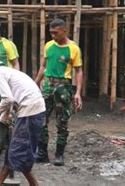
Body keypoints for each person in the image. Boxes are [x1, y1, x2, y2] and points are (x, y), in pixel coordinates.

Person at [0, 50, 46, 186]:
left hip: (30, 111)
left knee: (16, 151)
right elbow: (11, 102)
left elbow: (7, 99)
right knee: (16, 149)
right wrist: (2, 120)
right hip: (34, 110)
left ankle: (32, 184)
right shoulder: (6, 71)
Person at [35, 18, 83, 166]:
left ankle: (59, 155)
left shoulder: (73, 48)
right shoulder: (48, 46)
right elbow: (43, 67)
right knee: (41, 120)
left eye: (55, 33)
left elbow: (79, 71)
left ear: (64, 30)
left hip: (63, 88)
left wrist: (77, 93)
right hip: (47, 86)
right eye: (51, 33)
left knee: (62, 122)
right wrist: (35, 84)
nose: (53, 36)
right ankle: (42, 153)